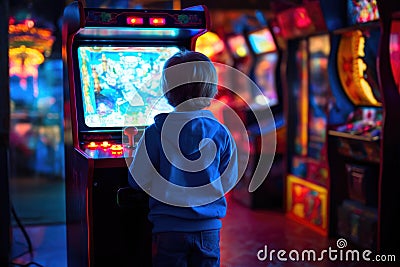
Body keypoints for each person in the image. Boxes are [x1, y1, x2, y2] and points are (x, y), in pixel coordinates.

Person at [128, 50, 238, 267]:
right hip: (208, 228)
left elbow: (137, 181)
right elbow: (228, 180)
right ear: (210, 87)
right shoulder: (221, 133)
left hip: (168, 228)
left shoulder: (154, 133)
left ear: (168, 90)